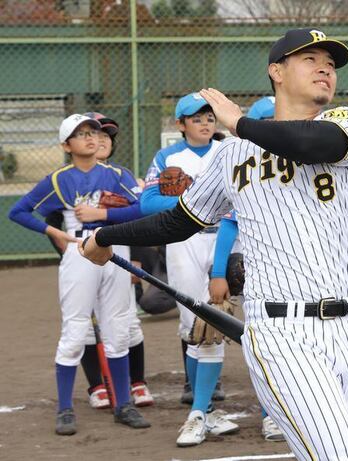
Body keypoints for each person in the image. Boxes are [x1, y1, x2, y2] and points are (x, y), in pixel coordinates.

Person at [80, 28, 348, 460]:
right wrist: (106, 236)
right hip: (282, 333)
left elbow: (305, 143)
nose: (325, 69)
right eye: (310, 59)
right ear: (276, 72)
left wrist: (238, 121)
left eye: (331, 64)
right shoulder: (232, 154)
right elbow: (178, 222)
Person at [7, 114, 150, 435]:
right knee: (75, 332)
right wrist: (53, 232)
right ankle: (65, 409)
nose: (90, 138)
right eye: (81, 134)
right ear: (66, 145)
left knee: (117, 331)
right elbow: (17, 211)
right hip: (78, 251)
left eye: (93, 132)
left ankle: (123, 404)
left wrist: (105, 213)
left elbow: (143, 208)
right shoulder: (58, 180)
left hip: (114, 248)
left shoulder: (116, 174)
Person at [140, 92, 237, 446]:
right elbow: (147, 202)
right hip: (185, 240)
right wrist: (189, 200)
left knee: (220, 320)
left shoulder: (228, 150)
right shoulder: (168, 157)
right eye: (196, 118)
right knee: (194, 325)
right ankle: (204, 408)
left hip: (227, 237)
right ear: (180, 125)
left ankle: (204, 409)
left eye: (209, 117)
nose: (205, 122)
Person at [42, 112, 153, 409]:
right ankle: (95, 384)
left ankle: (135, 383)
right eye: (92, 133)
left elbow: (141, 216)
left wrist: (138, 259)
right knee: (84, 326)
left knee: (125, 324)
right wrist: (69, 252)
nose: (99, 139)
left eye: (105, 135)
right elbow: (54, 224)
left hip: (119, 254)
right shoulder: (65, 181)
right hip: (80, 257)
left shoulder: (121, 177)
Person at [207, 96, 286, 443]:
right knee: (267, 351)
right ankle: (271, 415)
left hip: (304, 277)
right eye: (264, 121)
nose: (273, 125)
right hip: (263, 278)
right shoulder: (248, 168)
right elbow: (228, 225)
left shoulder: (306, 159)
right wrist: (217, 272)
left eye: (276, 119)